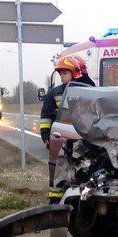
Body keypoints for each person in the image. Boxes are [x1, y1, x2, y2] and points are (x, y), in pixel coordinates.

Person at [41, 54, 90, 204]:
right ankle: (55, 203)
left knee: (85, 170)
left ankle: (84, 201)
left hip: (84, 140)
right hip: (62, 140)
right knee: (58, 171)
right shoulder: (54, 93)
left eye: (65, 73)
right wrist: (46, 136)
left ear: (75, 72)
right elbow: (46, 117)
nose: (61, 76)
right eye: (60, 73)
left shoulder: (90, 90)